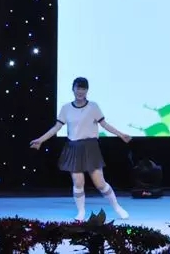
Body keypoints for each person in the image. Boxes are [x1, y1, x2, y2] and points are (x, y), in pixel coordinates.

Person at [30, 76, 131, 221]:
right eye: (78, 88)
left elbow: (105, 125)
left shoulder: (93, 106)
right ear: (73, 89)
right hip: (74, 147)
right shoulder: (66, 108)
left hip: (90, 147)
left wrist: (121, 134)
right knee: (78, 182)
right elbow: (56, 127)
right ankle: (81, 212)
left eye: (83, 88)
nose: (80, 91)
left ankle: (117, 208)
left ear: (87, 90)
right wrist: (40, 140)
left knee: (100, 183)